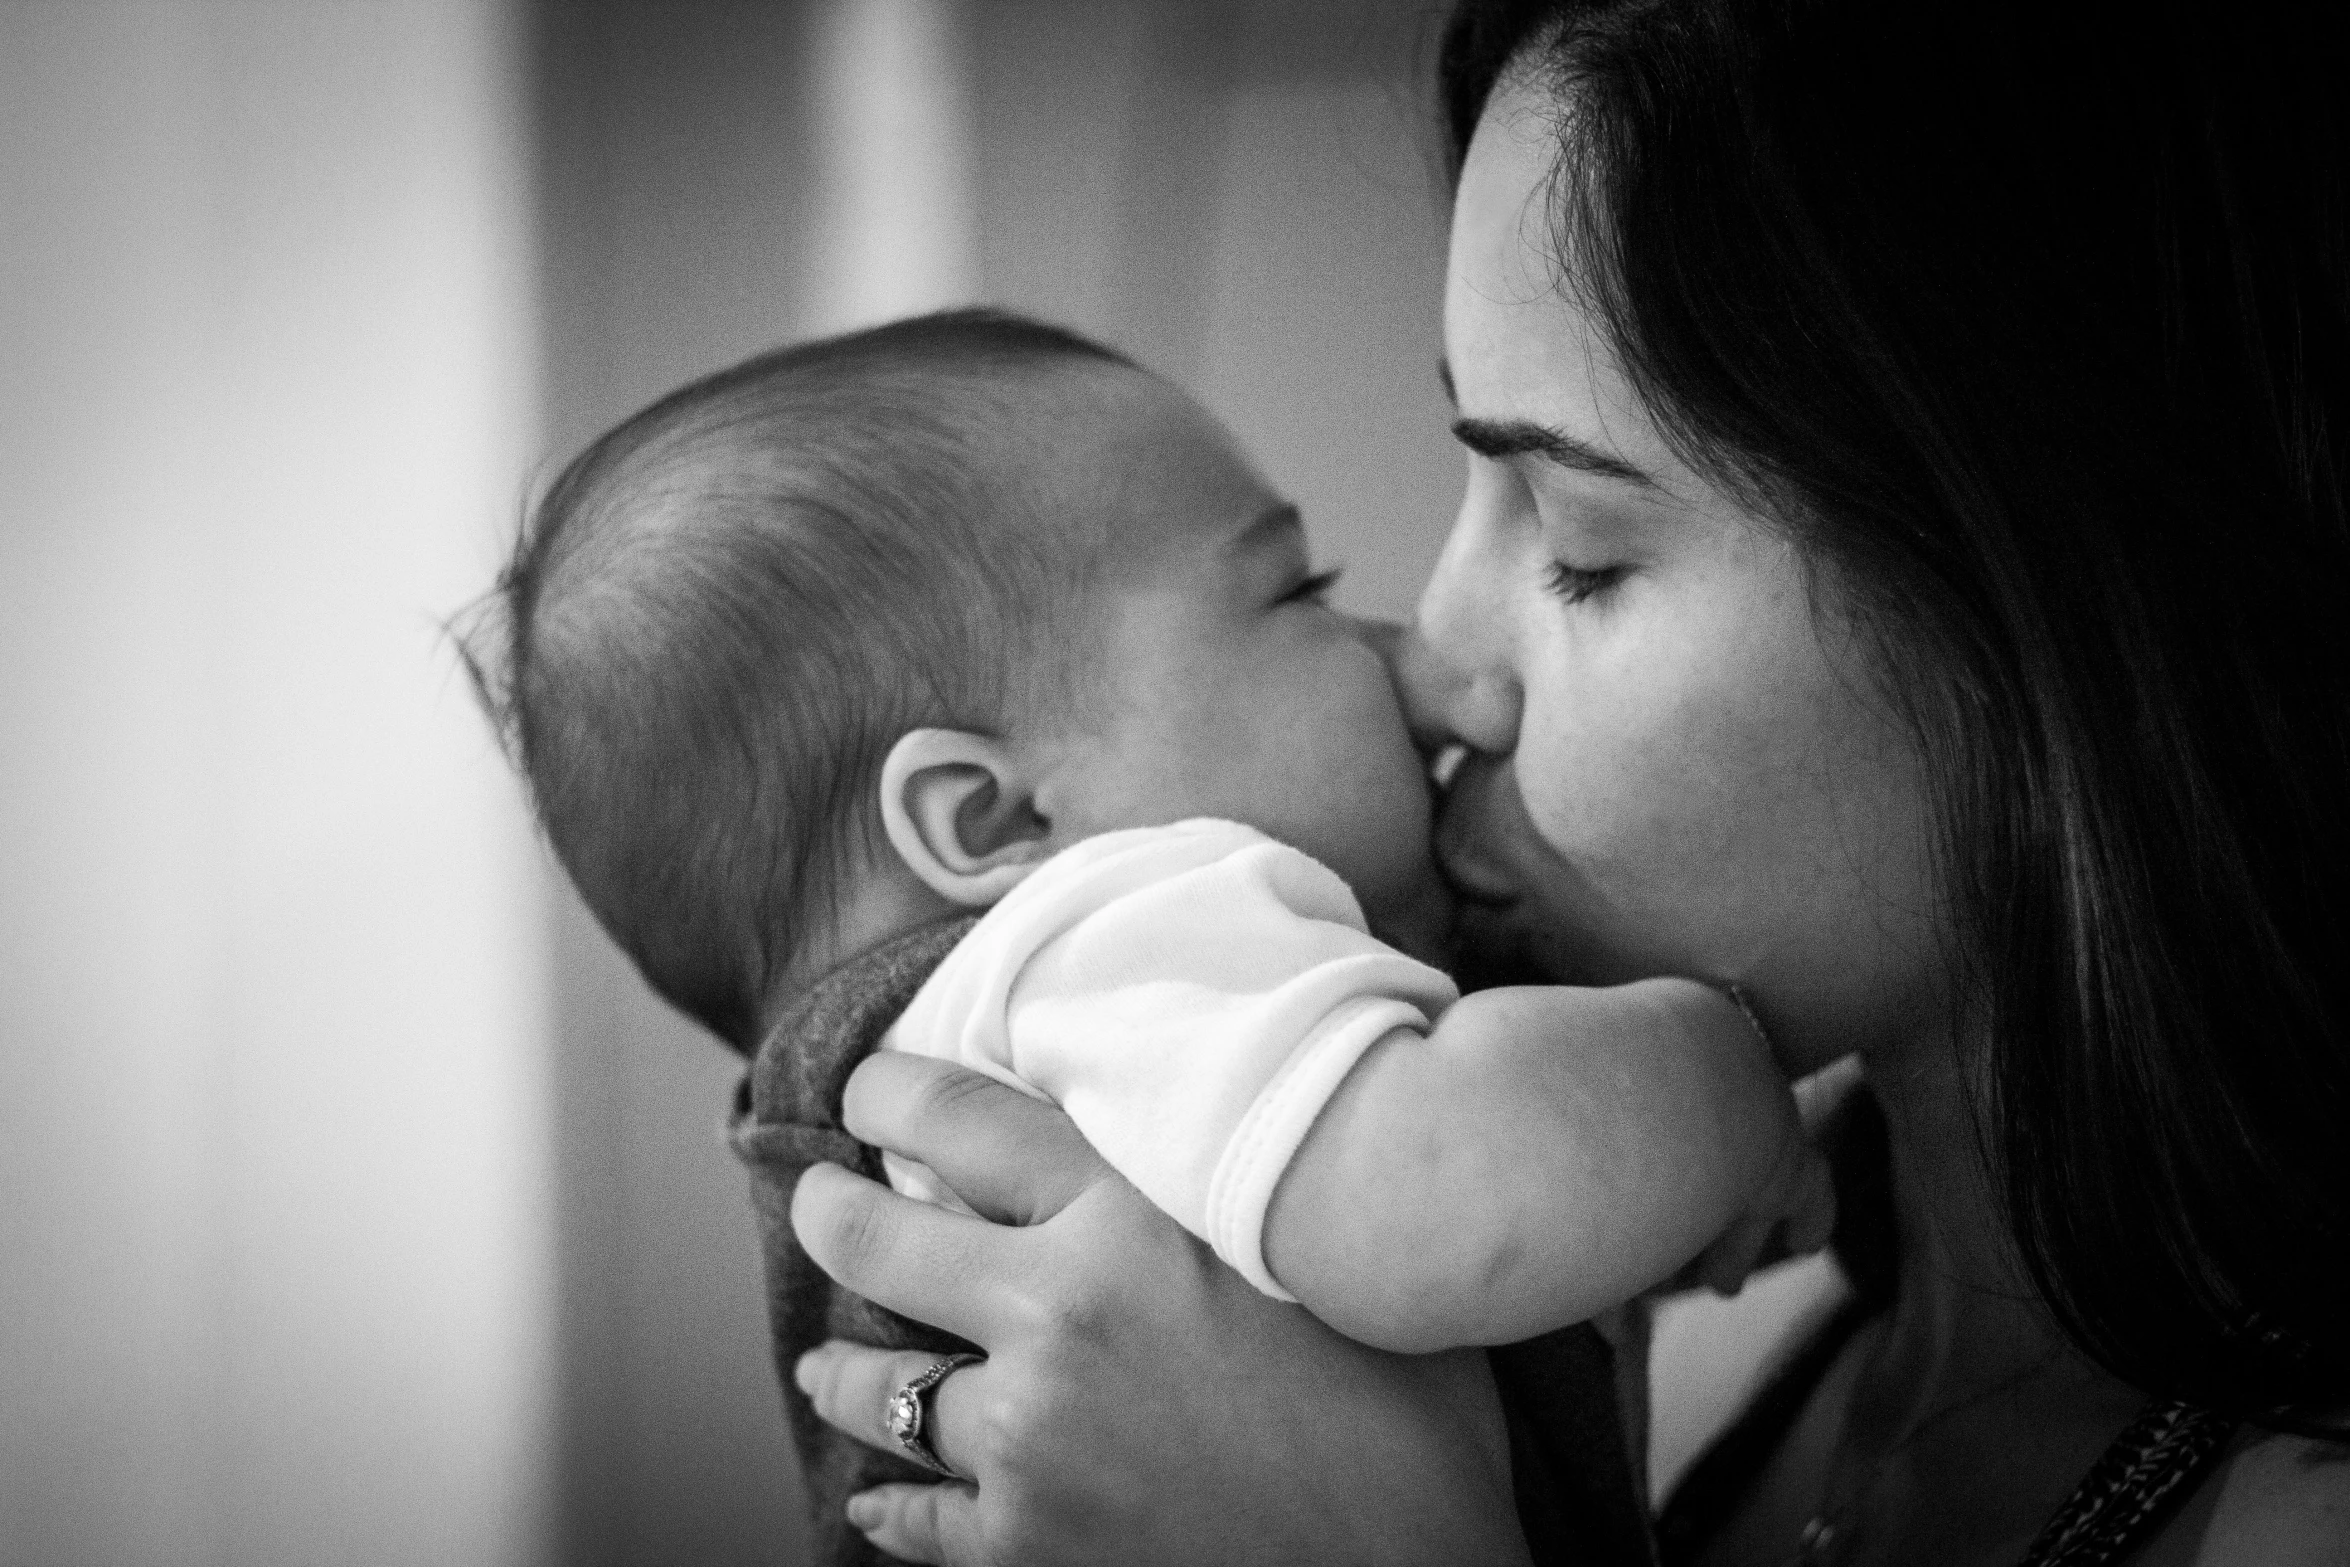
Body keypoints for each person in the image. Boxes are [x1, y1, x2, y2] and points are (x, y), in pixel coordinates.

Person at [783, 1, 2350, 1563]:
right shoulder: (1687, 1319)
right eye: (1475, 476)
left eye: (1583, 547)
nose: (1437, 657)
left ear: (2060, 605)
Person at [466, 308, 1826, 1558]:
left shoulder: (1060, 1026)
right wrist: (1720, 1072)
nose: (1406, 653)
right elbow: (1452, 1196)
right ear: (995, 821)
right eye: (1298, 592)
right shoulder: (1091, 939)